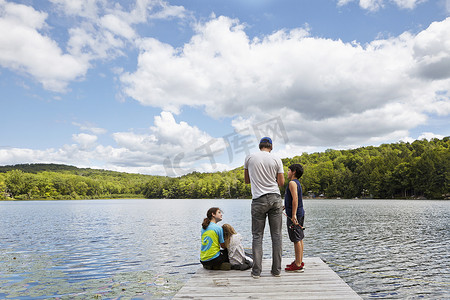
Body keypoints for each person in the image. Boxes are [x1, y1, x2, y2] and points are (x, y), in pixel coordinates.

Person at [244, 137, 285, 278]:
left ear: (259, 146)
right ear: (271, 147)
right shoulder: (276, 159)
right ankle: (276, 271)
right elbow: (281, 182)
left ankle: (256, 272)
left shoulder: (249, 158)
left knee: (257, 236)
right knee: (277, 236)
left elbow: (246, 180)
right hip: (275, 198)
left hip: (258, 200)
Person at [284, 164, 305, 272]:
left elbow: (295, 199)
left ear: (294, 172)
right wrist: (285, 206)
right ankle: (299, 261)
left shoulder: (292, 183)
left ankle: (297, 265)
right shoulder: (297, 183)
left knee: (296, 238)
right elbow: (291, 199)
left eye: (288, 170)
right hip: (299, 213)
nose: (287, 172)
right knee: (299, 237)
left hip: (295, 215)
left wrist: (293, 215)